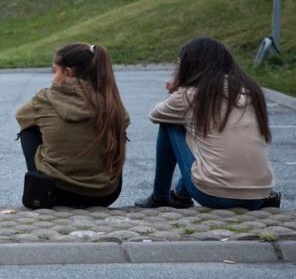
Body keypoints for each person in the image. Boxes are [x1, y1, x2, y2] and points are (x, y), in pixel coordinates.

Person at [136, 37, 280, 209]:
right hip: (258, 195)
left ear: (190, 65)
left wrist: (177, 90)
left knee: (169, 123)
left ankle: (160, 196)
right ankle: (181, 194)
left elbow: (155, 114)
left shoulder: (191, 95)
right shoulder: (251, 91)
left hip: (214, 194)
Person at [16, 43, 129, 208]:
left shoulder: (45, 98)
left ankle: (39, 179)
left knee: (29, 128)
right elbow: (125, 121)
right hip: (104, 194)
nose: (52, 78)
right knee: (117, 128)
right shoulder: (111, 102)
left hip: (53, 192)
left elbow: (21, 117)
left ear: (68, 73)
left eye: (55, 71)